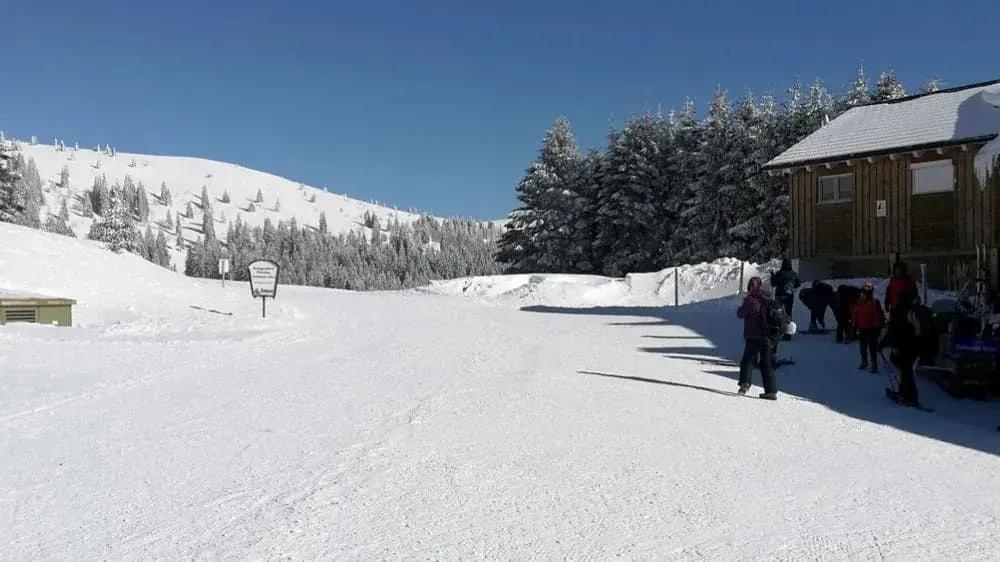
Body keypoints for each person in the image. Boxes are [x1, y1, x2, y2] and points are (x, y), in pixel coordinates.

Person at [880, 283, 923, 406]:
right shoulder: (913, 310)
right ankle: (909, 395)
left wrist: (883, 344)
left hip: (904, 345)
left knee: (906, 371)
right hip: (914, 345)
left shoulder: (900, 311)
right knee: (907, 371)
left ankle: (908, 395)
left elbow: (893, 330)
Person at [736, 276, 779, 400]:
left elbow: (740, 314)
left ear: (750, 287)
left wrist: (742, 306)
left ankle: (744, 384)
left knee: (747, 360)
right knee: (766, 363)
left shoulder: (751, 300)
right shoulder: (768, 298)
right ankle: (771, 391)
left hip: (754, 335)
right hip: (768, 336)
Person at [851, 281, 885, 373]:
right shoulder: (858, 304)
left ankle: (874, 364)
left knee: (872, 348)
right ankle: (864, 362)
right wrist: (854, 327)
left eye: (865, 294)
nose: (863, 296)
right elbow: (855, 316)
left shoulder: (874, 303)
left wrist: (878, 326)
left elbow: (879, 316)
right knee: (863, 347)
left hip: (872, 329)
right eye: (862, 294)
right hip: (862, 329)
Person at [770, 258, 801, 341]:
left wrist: (772, 276)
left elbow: (773, 284)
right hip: (789, 296)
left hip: (779, 295)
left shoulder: (779, 273)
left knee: (777, 314)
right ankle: (788, 335)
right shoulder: (794, 274)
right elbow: (798, 284)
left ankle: (777, 332)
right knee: (788, 314)